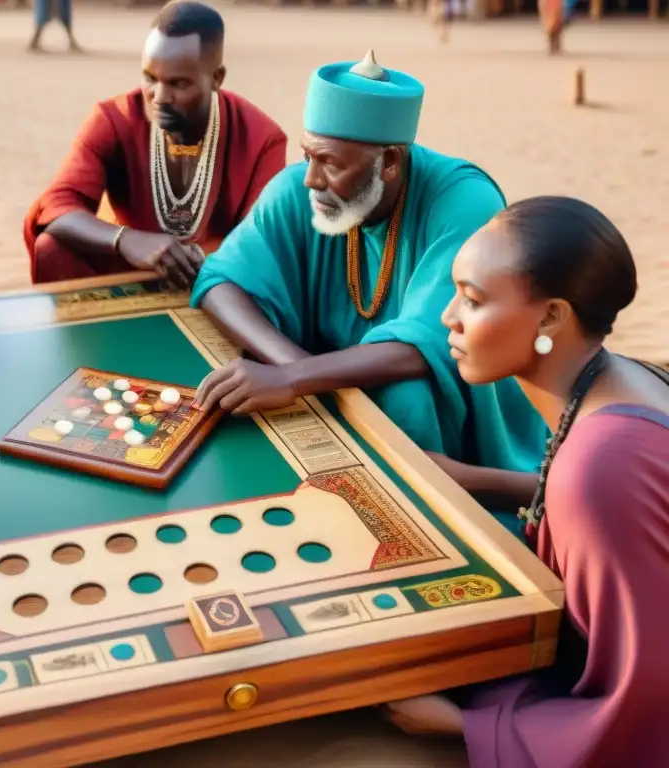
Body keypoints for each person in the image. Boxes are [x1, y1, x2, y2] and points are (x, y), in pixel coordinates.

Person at [190, 50, 549, 528]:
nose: (312, 179)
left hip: (453, 409)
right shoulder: (304, 186)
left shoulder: (465, 199)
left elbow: (432, 344)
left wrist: (295, 381)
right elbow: (220, 281)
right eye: (307, 155)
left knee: (407, 396)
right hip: (327, 377)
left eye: (330, 163)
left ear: (390, 163)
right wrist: (295, 366)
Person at [383, 196, 669, 767]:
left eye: (473, 299)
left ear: (551, 319)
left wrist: (460, 726)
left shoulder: (599, 466)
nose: (448, 317)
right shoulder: (624, 376)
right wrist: (475, 481)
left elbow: (650, 695)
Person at [23, 0, 287, 288]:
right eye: (150, 78)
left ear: (216, 78)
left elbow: (262, 245)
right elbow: (57, 207)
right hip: (132, 268)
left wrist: (201, 260)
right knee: (52, 246)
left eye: (179, 84)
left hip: (219, 280)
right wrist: (126, 239)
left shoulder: (261, 138)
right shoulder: (114, 119)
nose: (159, 96)